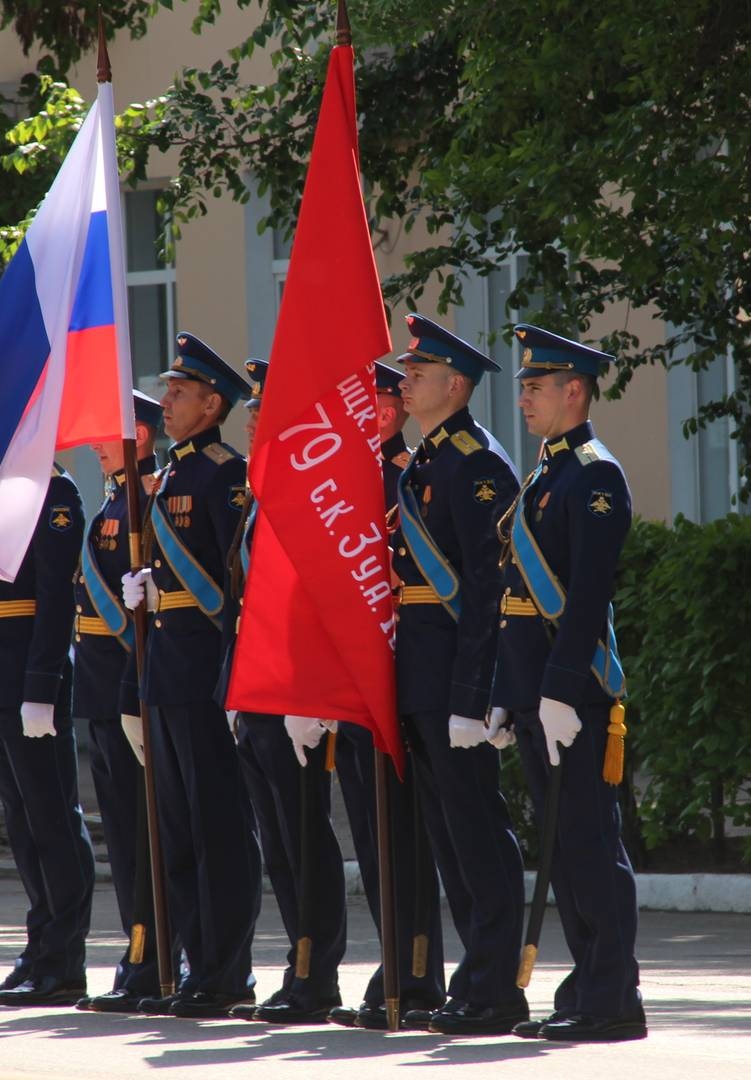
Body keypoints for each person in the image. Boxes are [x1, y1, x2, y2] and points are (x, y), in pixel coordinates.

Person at [494, 324, 647, 1042]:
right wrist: (506, 689)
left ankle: (614, 997)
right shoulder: (548, 473)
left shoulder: (594, 475)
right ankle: (586, 984)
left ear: (575, 391)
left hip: (574, 690)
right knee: (563, 850)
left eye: (535, 386)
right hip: (535, 686)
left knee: (589, 845)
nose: (522, 397)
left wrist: (558, 687)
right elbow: (513, 594)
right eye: (523, 385)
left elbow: (585, 595)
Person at [389, 314, 528, 1036]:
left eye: (417, 374)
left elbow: (486, 591)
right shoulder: (424, 461)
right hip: (420, 677)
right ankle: (475, 978)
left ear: (457, 384)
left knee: (477, 834)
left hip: (455, 684)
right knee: (449, 840)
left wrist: (475, 696)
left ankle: (497, 985)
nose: (404, 383)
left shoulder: (477, 463)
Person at [120, 333, 262, 1019]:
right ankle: (189, 963)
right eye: (168, 390)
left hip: (206, 675)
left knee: (217, 831)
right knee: (177, 833)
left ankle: (225, 971)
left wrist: (237, 682)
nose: (166, 401)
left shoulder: (224, 476)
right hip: (167, 673)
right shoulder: (172, 474)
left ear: (212, 404)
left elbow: (235, 590)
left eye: (178, 393)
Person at [221, 358, 348, 1024]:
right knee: (277, 841)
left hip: (297, 693)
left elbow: (325, 600)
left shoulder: (312, 496)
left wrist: (312, 695)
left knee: (305, 838)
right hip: (259, 687)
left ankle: (318, 973)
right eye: (252, 410)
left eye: (264, 410)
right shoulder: (263, 494)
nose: (252, 419)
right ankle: (298, 968)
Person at [324, 359, 448, 1030]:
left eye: (367, 404)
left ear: (389, 412)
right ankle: (393, 960)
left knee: (403, 836)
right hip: (355, 685)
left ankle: (419, 970)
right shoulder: (349, 487)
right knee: (372, 839)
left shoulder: (403, 482)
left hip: (398, 681)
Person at [0, 464, 97, 1008]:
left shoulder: (54, 492)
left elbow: (55, 597)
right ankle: (39, 951)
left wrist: (40, 686)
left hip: (27, 681)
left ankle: (63, 962)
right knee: (23, 826)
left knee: (52, 822)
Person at [72, 391, 172, 1013]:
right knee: (124, 834)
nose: (92, 443)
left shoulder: (148, 494)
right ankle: (137, 954)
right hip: (102, 690)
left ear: (138, 432)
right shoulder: (116, 495)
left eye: (105, 433)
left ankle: (154, 959)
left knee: (144, 834)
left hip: (128, 687)